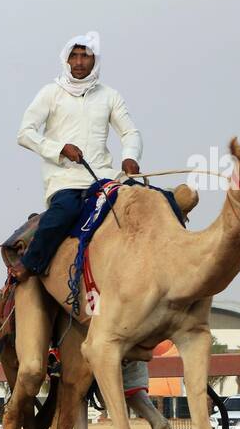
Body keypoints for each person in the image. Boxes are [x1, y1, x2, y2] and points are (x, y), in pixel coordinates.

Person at [8, 34, 142, 281]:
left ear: (95, 61)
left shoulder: (109, 96)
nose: (79, 62)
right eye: (74, 56)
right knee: (64, 213)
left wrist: (130, 156)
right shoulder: (51, 93)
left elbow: (129, 131)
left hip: (104, 176)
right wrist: (59, 149)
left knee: (145, 200)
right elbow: (24, 134)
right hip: (65, 180)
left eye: (85, 56)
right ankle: (30, 264)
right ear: (66, 60)